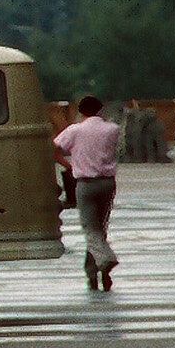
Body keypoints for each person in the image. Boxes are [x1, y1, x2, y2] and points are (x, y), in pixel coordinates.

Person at [54, 94, 123, 292]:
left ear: (81, 111)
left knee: (90, 228)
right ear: (100, 110)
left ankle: (105, 260)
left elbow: (53, 147)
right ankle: (96, 274)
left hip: (85, 183)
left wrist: (68, 164)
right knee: (100, 228)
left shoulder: (75, 130)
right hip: (108, 183)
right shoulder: (113, 129)